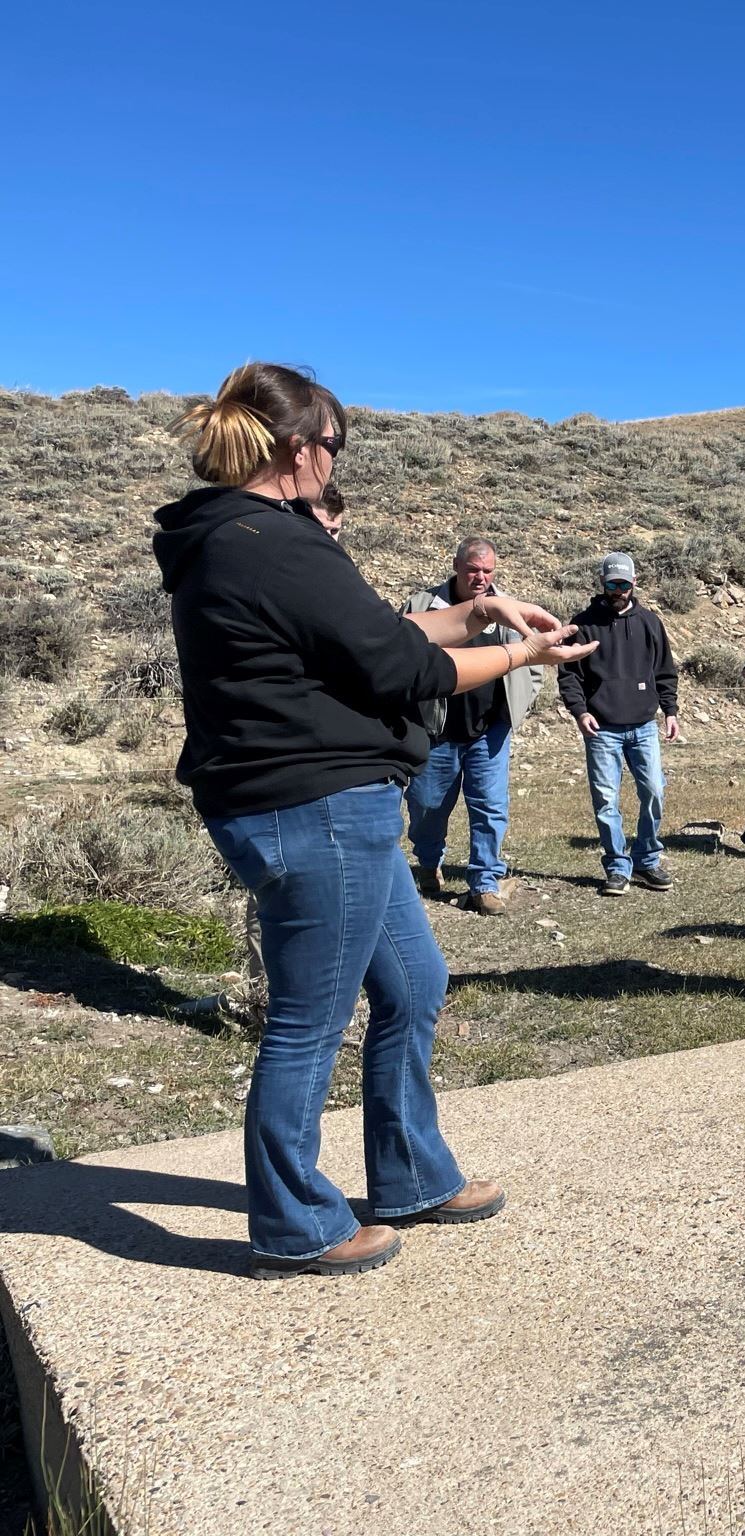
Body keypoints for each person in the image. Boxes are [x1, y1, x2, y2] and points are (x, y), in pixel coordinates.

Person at [152, 363, 595, 1279]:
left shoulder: (237, 537)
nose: (334, 464)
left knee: (413, 983)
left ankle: (410, 1174)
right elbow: (411, 673)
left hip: (324, 809)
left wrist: (473, 610)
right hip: (313, 807)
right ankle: (297, 1222)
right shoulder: (270, 540)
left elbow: (373, 632)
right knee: (310, 1021)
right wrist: (522, 652)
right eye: (333, 448)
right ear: (301, 449)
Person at [401, 539, 546, 915]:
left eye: (488, 571)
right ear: (456, 566)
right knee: (427, 806)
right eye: (473, 570)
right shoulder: (422, 606)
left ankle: (485, 882)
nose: (481, 578)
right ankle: (429, 861)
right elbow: (401, 661)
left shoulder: (510, 609)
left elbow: (534, 663)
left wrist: (517, 705)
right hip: (438, 731)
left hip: (490, 730)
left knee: (490, 807)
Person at [557, 553, 680, 896]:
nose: (618, 591)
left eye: (624, 584)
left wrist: (670, 710)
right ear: (602, 583)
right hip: (602, 728)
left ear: (634, 583)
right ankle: (616, 866)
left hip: (643, 725)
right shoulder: (582, 624)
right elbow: (568, 676)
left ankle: (646, 859)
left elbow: (665, 670)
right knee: (606, 800)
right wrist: (580, 711)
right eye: (612, 584)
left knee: (654, 790)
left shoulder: (650, 623)